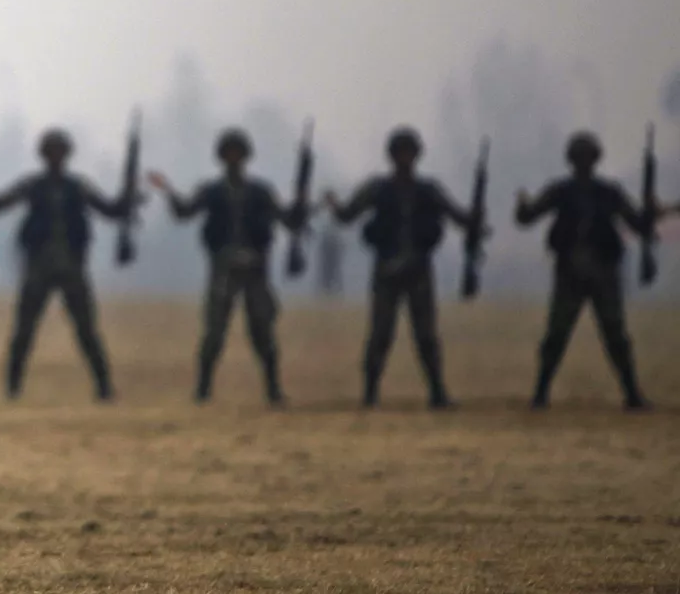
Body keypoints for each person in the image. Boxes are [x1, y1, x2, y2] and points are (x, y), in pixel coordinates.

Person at [0, 128, 130, 401]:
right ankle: (13, 389)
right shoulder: (33, 186)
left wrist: (127, 196)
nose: (55, 157)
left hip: (71, 267)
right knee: (24, 330)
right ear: (44, 155)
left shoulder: (77, 187)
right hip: (39, 267)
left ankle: (104, 386)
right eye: (51, 152)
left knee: (87, 330)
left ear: (66, 155)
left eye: (59, 152)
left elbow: (111, 210)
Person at [324, 127, 480, 409]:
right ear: (392, 156)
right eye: (400, 153)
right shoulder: (378, 189)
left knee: (426, 335)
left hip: (418, 270)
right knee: (380, 334)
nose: (404, 158)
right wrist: (333, 204)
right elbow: (348, 215)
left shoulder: (428, 190)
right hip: (387, 271)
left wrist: (475, 218)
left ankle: (437, 391)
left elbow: (458, 216)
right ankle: (370, 393)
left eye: (409, 152)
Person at [149, 128, 306, 406]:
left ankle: (273, 389)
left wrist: (301, 202)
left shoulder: (260, 192)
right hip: (223, 268)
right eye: (229, 153)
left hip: (255, 269)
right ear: (222, 157)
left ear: (245, 157)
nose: (233, 158)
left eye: (238, 153)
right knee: (214, 332)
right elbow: (185, 211)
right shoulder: (211, 191)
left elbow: (287, 219)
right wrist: (168, 191)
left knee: (262, 331)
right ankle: (203, 389)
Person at [515, 131, 663, 410]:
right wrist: (522, 206)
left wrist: (650, 212)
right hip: (571, 272)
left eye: (587, 157)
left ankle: (631, 393)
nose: (583, 162)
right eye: (580, 157)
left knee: (615, 335)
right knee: (557, 334)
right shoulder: (563, 191)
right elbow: (528, 217)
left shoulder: (608, 192)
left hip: (602, 272)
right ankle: (541, 392)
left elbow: (637, 224)